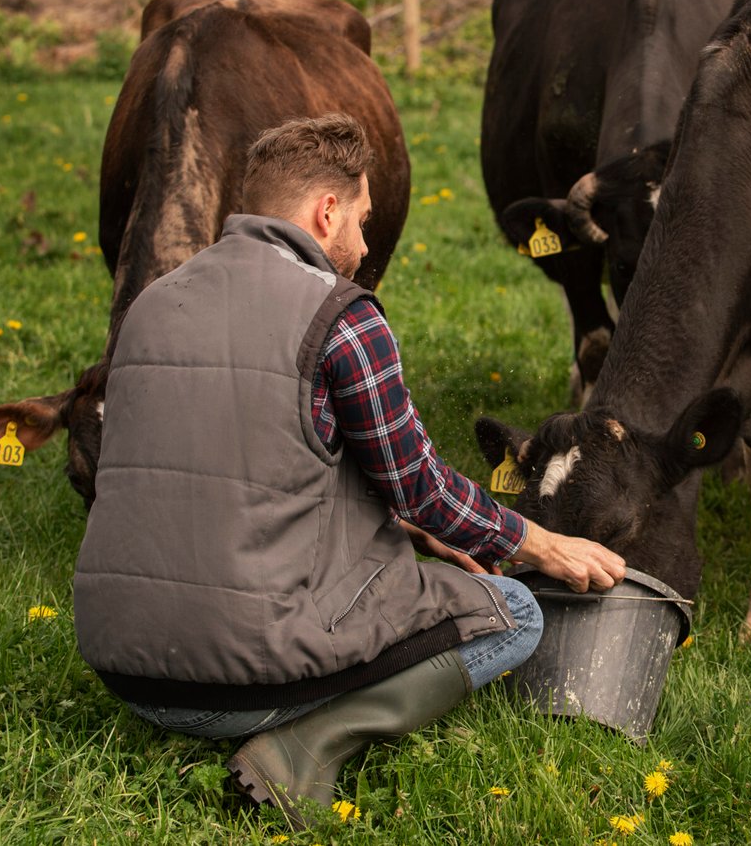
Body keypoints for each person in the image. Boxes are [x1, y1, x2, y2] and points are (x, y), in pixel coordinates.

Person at [71, 113, 625, 827]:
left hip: (126, 671)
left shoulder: (152, 303)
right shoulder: (342, 316)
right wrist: (543, 544)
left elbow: (259, 459)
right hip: (243, 684)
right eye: (362, 221)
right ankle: (305, 746)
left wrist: (415, 530)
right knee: (511, 614)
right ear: (324, 211)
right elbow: (419, 487)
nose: (365, 247)